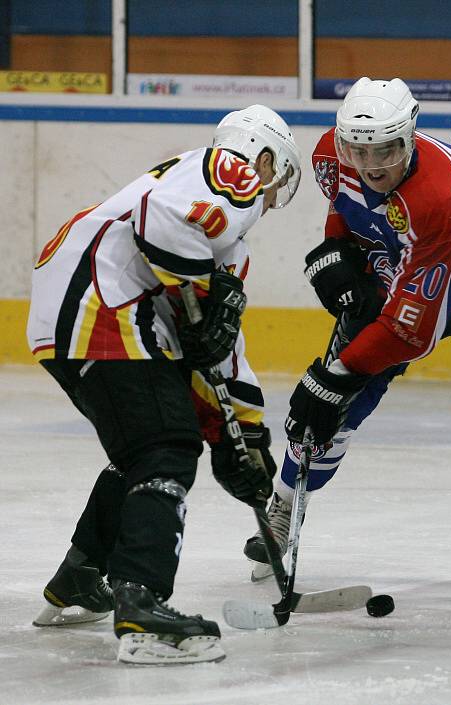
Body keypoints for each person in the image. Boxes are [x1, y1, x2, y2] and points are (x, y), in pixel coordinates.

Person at [244, 76, 451, 584]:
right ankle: (286, 506)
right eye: (358, 149)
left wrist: (337, 375)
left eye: (385, 150)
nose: (371, 164)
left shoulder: (443, 194)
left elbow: (413, 332)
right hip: (404, 267)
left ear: (412, 138)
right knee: (338, 406)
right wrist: (340, 254)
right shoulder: (331, 159)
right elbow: (348, 209)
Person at [26, 105, 301, 664]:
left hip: (78, 309)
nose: (269, 201)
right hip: (101, 302)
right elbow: (160, 223)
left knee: (141, 447)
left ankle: (81, 575)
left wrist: (243, 441)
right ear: (265, 155)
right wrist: (205, 288)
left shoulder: (221, 237)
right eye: (278, 185)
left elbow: (213, 350)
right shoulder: (233, 172)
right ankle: (141, 605)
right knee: (165, 447)